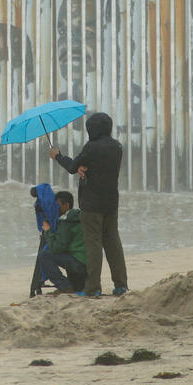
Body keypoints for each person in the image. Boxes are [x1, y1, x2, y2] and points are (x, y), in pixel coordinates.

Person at [49, 112, 128, 296]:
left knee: (93, 245)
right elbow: (94, 167)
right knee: (113, 243)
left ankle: (93, 288)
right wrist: (82, 167)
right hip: (111, 202)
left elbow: (71, 167)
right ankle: (121, 285)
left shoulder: (91, 147)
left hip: (92, 204)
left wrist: (58, 156)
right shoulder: (117, 146)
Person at [36, 190, 86, 293]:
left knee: (44, 255)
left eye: (57, 206)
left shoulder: (67, 221)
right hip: (85, 264)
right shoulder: (76, 217)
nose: (54, 209)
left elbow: (56, 248)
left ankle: (65, 287)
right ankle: (70, 285)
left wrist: (48, 231)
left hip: (77, 264)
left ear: (66, 205)